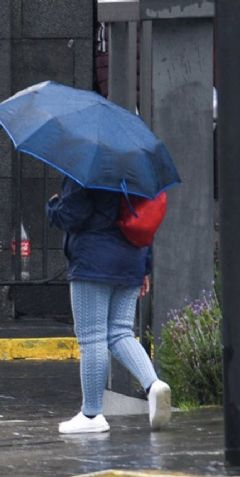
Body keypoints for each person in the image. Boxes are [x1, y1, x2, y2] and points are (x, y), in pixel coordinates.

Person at [46, 176, 171, 434]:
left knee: (92, 338)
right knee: (121, 332)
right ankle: (154, 385)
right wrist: (144, 268)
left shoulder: (84, 169)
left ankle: (91, 415)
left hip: (94, 260)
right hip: (132, 259)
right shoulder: (137, 170)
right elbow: (145, 219)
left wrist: (53, 207)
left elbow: (73, 215)